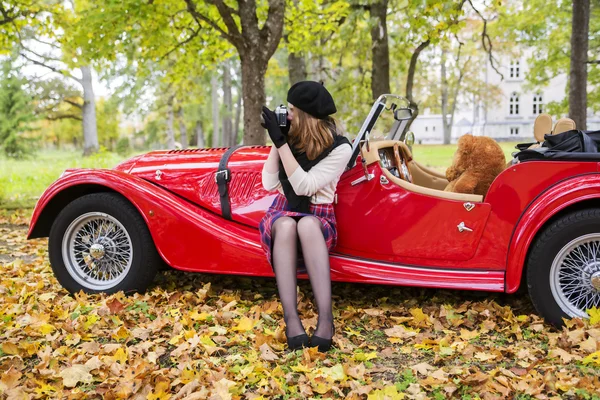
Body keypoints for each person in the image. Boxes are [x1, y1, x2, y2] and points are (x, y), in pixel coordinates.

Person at [258, 81, 353, 352]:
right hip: (283, 209)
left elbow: (305, 186)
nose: (285, 115)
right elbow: (268, 183)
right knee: (286, 226)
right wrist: (278, 143)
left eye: (290, 110)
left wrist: (281, 143)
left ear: (303, 114)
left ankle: (326, 320)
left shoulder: (340, 148)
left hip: (318, 214)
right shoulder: (290, 137)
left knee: (308, 225)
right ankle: (292, 321)